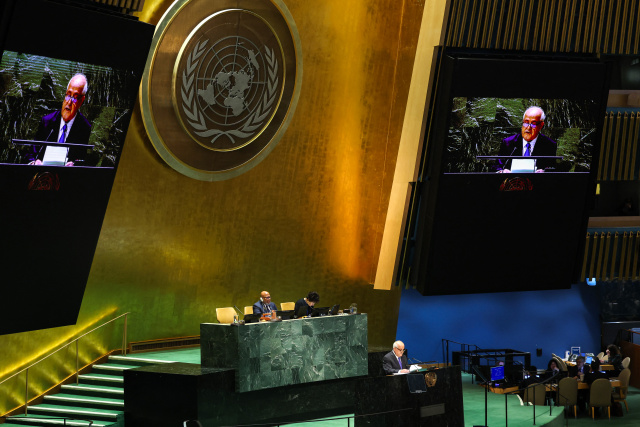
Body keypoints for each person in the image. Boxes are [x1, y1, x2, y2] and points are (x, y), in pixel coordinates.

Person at [29, 73, 92, 166]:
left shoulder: (84, 127)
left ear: (82, 100)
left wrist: (74, 165)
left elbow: (82, 159)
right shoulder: (47, 121)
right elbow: (31, 154)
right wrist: (34, 162)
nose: (69, 102)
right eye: (68, 95)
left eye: (75, 97)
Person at [496, 106, 557, 173]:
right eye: (526, 122)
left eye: (533, 124)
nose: (528, 127)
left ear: (541, 125)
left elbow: (551, 169)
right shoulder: (508, 143)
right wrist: (502, 172)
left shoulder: (549, 145)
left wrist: (544, 172)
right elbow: (497, 167)